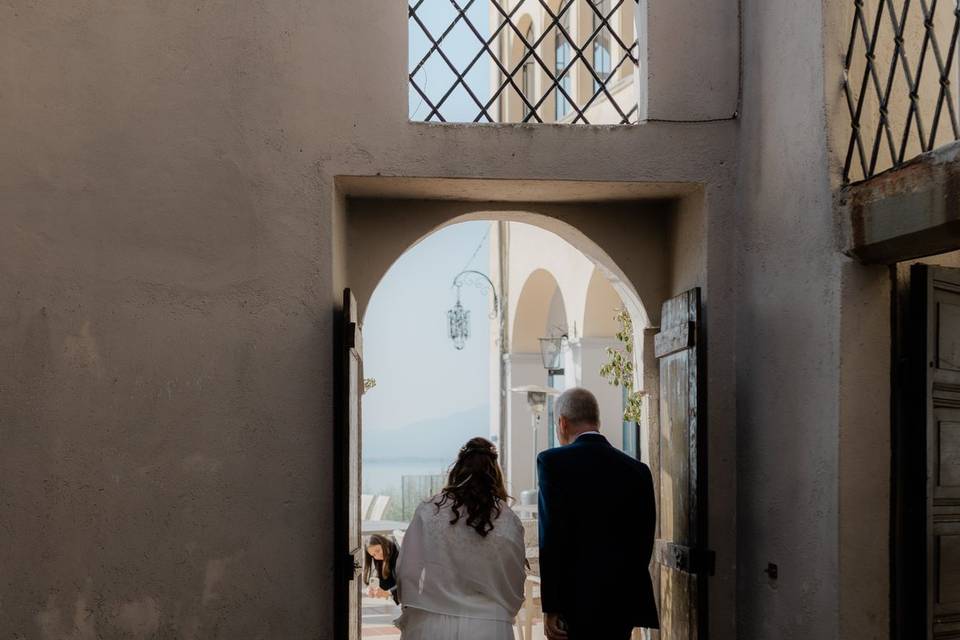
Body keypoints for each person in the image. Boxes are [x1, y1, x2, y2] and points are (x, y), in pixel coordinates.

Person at [538, 387, 658, 640]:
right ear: (597, 421)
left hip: (574, 603)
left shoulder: (552, 462)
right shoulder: (637, 470)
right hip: (621, 602)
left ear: (562, 423)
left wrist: (551, 606)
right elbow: (643, 540)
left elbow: (551, 536)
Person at [394, 437, 526, 640]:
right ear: (494, 475)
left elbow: (408, 570)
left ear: (457, 470)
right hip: (488, 625)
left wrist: (413, 609)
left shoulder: (429, 511)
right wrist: (505, 611)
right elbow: (515, 578)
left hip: (432, 620)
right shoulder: (508, 519)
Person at [363, 534, 400, 604]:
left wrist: (388, 593)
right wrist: (372, 587)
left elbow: (408, 581)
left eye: (378, 550)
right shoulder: (381, 558)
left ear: (384, 543)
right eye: (373, 555)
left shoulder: (399, 553)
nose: (377, 555)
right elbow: (385, 579)